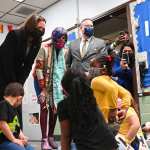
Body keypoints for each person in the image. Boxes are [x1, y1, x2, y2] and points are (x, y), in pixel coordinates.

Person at [0, 14, 46, 128]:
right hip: (2, 73)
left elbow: (28, 65)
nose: (42, 31)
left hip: (16, 76)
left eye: (43, 28)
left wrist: (19, 84)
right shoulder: (14, 35)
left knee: (16, 106)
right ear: (31, 26)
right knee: (3, 107)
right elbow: (6, 62)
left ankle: (18, 137)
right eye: (40, 28)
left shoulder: (37, 42)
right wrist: (13, 84)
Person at [57, 69, 118, 150]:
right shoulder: (91, 100)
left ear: (64, 87)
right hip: (110, 145)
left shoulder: (63, 106)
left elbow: (66, 137)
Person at [34, 27, 67, 149]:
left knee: (55, 108)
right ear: (54, 38)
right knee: (44, 107)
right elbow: (38, 69)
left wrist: (64, 87)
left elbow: (64, 70)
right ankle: (44, 140)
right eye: (60, 38)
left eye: (64, 38)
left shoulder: (64, 51)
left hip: (56, 83)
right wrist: (42, 89)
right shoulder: (44, 48)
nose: (62, 40)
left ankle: (51, 136)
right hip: (41, 81)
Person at [91, 55, 132, 123]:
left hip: (102, 122)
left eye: (93, 67)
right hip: (111, 122)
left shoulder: (95, 80)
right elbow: (127, 94)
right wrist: (124, 109)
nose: (91, 70)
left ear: (103, 70)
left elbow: (111, 89)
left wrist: (113, 109)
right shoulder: (111, 81)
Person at [0, 82, 34, 150]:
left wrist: (22, 137)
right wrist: (13, 140)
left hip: (11, 141)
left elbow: (17, 127)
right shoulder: (3, 104)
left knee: (30, 148)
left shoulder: (14, 109)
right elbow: (2, 124)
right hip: (3, 142)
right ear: (19, 98)